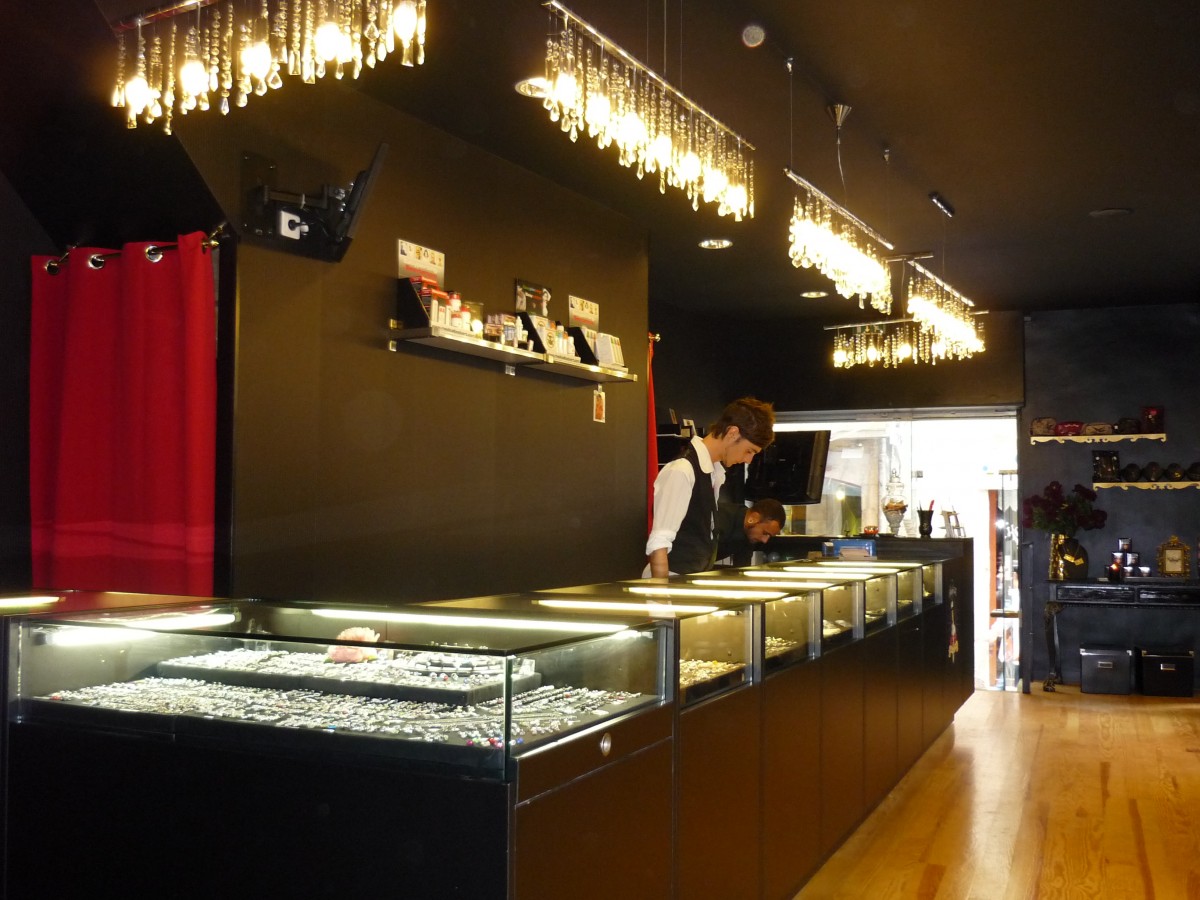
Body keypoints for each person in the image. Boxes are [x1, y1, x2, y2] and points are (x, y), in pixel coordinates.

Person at [644, 397, 775, 577]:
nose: (748, 460)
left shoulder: (714, 473)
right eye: (749, 451)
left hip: (690, 580)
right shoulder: (682, 470)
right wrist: (663, 592)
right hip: (671, 580)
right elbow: (659, 544)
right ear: (732, 433)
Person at [714, 498, 786, 567]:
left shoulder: (749, 536)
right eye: (765, 533)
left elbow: (742, 569)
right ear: (753, 518)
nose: (764, 540)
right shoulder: (719, 518)